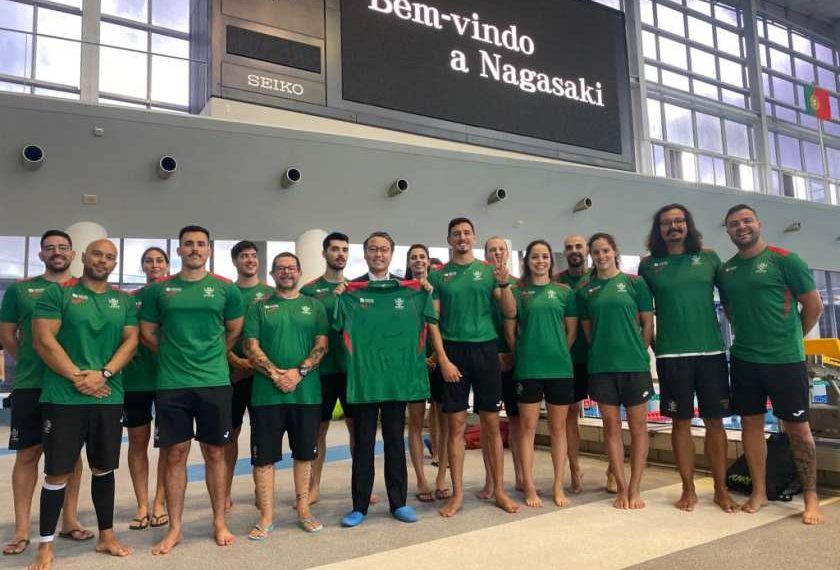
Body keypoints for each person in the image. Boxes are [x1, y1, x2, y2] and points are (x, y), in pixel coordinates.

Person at [29, 239, 139, 570]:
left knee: (103, 467)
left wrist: (103, 374)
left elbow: (131, 341)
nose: (103, 260)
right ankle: (45, 546)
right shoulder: (58, 294)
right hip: (64, 397)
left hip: (107, 394)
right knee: (57, 470)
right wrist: (80, 377)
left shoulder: (123, 301)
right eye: (97, 254)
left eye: (110, 257)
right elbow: (43, 340)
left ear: (114, 263)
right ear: (84, 257)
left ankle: (106, 536)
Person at [140, 225, 244, 554]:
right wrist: (175, 357)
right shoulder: (160, 291)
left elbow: (233, 331)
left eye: (201, 244)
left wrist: (209, 357)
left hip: (214, 382)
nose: (195, 249)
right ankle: (175, 528)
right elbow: (147, 333)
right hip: (172, 385)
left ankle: (218, 521)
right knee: (174, 454)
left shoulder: (226, 290)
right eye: (188, 244)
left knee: (215, 452)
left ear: (209, 250)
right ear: (179, 250)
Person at [718, 204, 825, 525]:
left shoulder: (785, 260)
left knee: (798, 428)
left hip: (785, 360)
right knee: (750, 425)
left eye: (747, 221)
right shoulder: (727, 271)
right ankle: (760, 491)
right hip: (744, 359)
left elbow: (814, 306)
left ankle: (811, 496)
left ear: (759, 223)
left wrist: (791, 337)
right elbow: (731, 312)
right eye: (734, 223)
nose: (742, 227)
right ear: (728, 231)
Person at [639, 204, 737, 513]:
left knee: (715, 423)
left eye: (679, 221)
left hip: (710, 352)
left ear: (688, 225)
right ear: (659, 230)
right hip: (672, 355)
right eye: (666, 223)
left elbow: (733, 302)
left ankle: (721, 490)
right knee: (680, 424)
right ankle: (688, 489)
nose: (673, 226)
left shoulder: (709, 258)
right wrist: (654, 344)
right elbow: (643, 314)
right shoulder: (649, 265)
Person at [335, 232, 438, 527]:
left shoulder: (412, 291)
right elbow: (336, 322)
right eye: (373, 249)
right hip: (365, 382)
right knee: (363, 446)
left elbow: (429, 320)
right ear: (365, 254)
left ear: (391, 254)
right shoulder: (352, 290)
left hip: (396, 382)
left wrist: (425, 290)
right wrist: (338, 296)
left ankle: (399, 503)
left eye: (383, 249)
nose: (378, 254)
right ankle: (359, 506)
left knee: (395, 443)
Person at [0, 230, 91, 557]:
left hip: (72, 386)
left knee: (71, 456)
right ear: (41, 255)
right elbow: (8, 334)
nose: (57, 252)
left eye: (63, 247)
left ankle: (69, 519)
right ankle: (23, 528)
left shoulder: (84, 288)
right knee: (27, 454)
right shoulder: (21, 290)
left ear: (72, 253)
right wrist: (31, 358)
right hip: (31, 383)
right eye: (50, 248)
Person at [428, 217, 520, 517]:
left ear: (474, 237)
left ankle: (500, 490)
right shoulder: (440, 276)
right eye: (456, 234)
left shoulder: (487, 271)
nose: (462, 237)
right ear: (449, 239)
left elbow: (509, 311)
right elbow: (433, 322)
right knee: (455, 426)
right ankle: (456, 495)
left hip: (486, 350)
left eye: (467, 233)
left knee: (491, 424)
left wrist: (504, 282)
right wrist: (442, 359)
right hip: (454, 351)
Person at [242, 252, 329, 538]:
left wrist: (297, 373)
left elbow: (322, 345)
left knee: (304, 454)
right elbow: (250, 347)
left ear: (300, 272)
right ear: (273, 274)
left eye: (291, 268)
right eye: (280, 268)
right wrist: (277, 375)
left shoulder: (314, 306)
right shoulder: (259, 308)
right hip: (267, 396)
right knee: (264, 458)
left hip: (306, 394)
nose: (286, 272)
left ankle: (303, 509)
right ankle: (266, 516)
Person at [577, 233, 654, 510]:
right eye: (596, 252)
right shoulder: (586, 289)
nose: (601, 256)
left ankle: (636, 488)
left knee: (638, 428)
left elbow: (647, 323)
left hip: (634, 366)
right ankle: (621, 487)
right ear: (591, 256)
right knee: (611, 426)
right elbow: (588, 331)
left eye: (605, 251)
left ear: (614, 251)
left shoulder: (635, 284)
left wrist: (639, 351)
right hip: (602, 367)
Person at [505, 240, 577, 508]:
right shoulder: (517, 292)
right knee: (527, 429)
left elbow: (571, 332)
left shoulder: (564, 292)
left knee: (559, 430)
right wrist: (523, 353)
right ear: (527, 261)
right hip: (529, 369)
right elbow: (510, 331)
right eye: (535, 257)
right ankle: (530, 486)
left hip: (559, 368)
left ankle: (558, 486)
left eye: (545, 256)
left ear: (550, 260)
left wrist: (558, 352)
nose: (540, 261)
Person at [300, 232, 360, 505]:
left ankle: (361, 484)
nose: (340, 254)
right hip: (321, 373)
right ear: (324, 254)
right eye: (334, 249)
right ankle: (313, 487)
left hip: (351, 372)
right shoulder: (310, 291)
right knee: (319, 431)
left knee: (356, 429)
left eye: (344, 249)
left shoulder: (357, 289)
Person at [225, 241, 274, 513]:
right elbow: (219, 334)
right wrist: (236, 362)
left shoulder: (269, 293)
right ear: (235, 261)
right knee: (229, 435)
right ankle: (225, 489)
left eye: (254, 256)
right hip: (232, 374)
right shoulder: (227, 292)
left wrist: (257, 365)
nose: (250, 260)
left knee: (262, 433)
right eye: (244, 256)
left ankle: (261, 488)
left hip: (262, 375)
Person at [122, 247, 169, 530]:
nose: (154, 265)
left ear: (166, 265)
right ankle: (142, 505)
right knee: (138, 443)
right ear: (143, 267)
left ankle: (160, 502)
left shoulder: (176, 296)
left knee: (168, 444)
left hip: (169, 380)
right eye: (149, 261)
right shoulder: (132, 301)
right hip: (136, 381)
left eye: (159, 260)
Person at [478, 237, 523, 500]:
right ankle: (490, 480)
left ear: (507, 253)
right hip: (487, 359)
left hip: (515, 360)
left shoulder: (518, 284)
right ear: (485, 254)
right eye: (491, 250)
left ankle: (520, 477)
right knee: (488, 423)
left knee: (517, 422)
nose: (497, 253)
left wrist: (515, 354)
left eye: (501, 250)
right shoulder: (482, 281)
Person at [555, 234, 600, 494]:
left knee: (611, 415)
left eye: (578, 247)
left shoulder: (598, 278)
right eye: (569, 247)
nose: (574, 251)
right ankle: (574, 470)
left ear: (587, 251)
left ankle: (611, 472)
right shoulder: (557, 281)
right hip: (569, 359)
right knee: (570, 415)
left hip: (597, 355)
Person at [404, 244, 449, 503]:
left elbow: (442, 323)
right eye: (414, 257)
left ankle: (442, 475)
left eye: (422, 257)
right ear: (408, 262)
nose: (419, 261)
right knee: (416, 422)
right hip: (413, 365)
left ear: (429, 262)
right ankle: (421, 479)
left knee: (442, 421)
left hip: (437, 360)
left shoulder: (437, 288)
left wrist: (435, 357)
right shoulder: (403, 290)